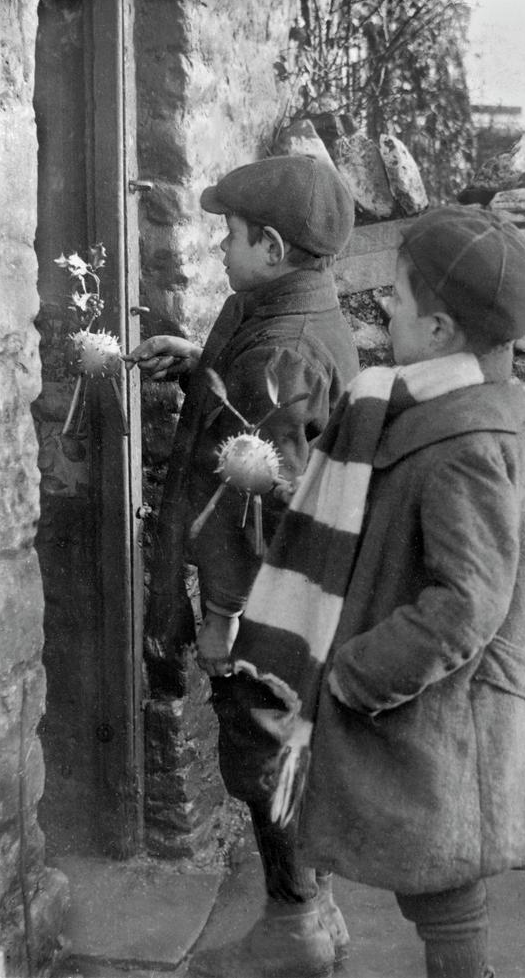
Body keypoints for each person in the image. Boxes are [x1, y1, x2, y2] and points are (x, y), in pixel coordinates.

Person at [231, 205, 525, 978]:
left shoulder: (466, 446)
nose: (388, 307)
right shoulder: (440, 409)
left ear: (443, 330)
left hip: (448, 722)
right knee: (441, 893)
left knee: (446, 892)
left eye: (401, 297)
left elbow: (466, 603)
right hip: (441, 720)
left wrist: (353, 675)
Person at [126, 154, 359, 978]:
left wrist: (221, 618)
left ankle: (295, 921)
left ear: (270, 243)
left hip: (263, 603)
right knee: (271, 747)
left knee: (262, 751)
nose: (218, 248)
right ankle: (312, 909)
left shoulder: (284, 348)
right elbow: (260, 423)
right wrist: (201, 368)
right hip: (278, 601)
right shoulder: (277, 314)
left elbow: (268, 499)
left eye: (228, 235)